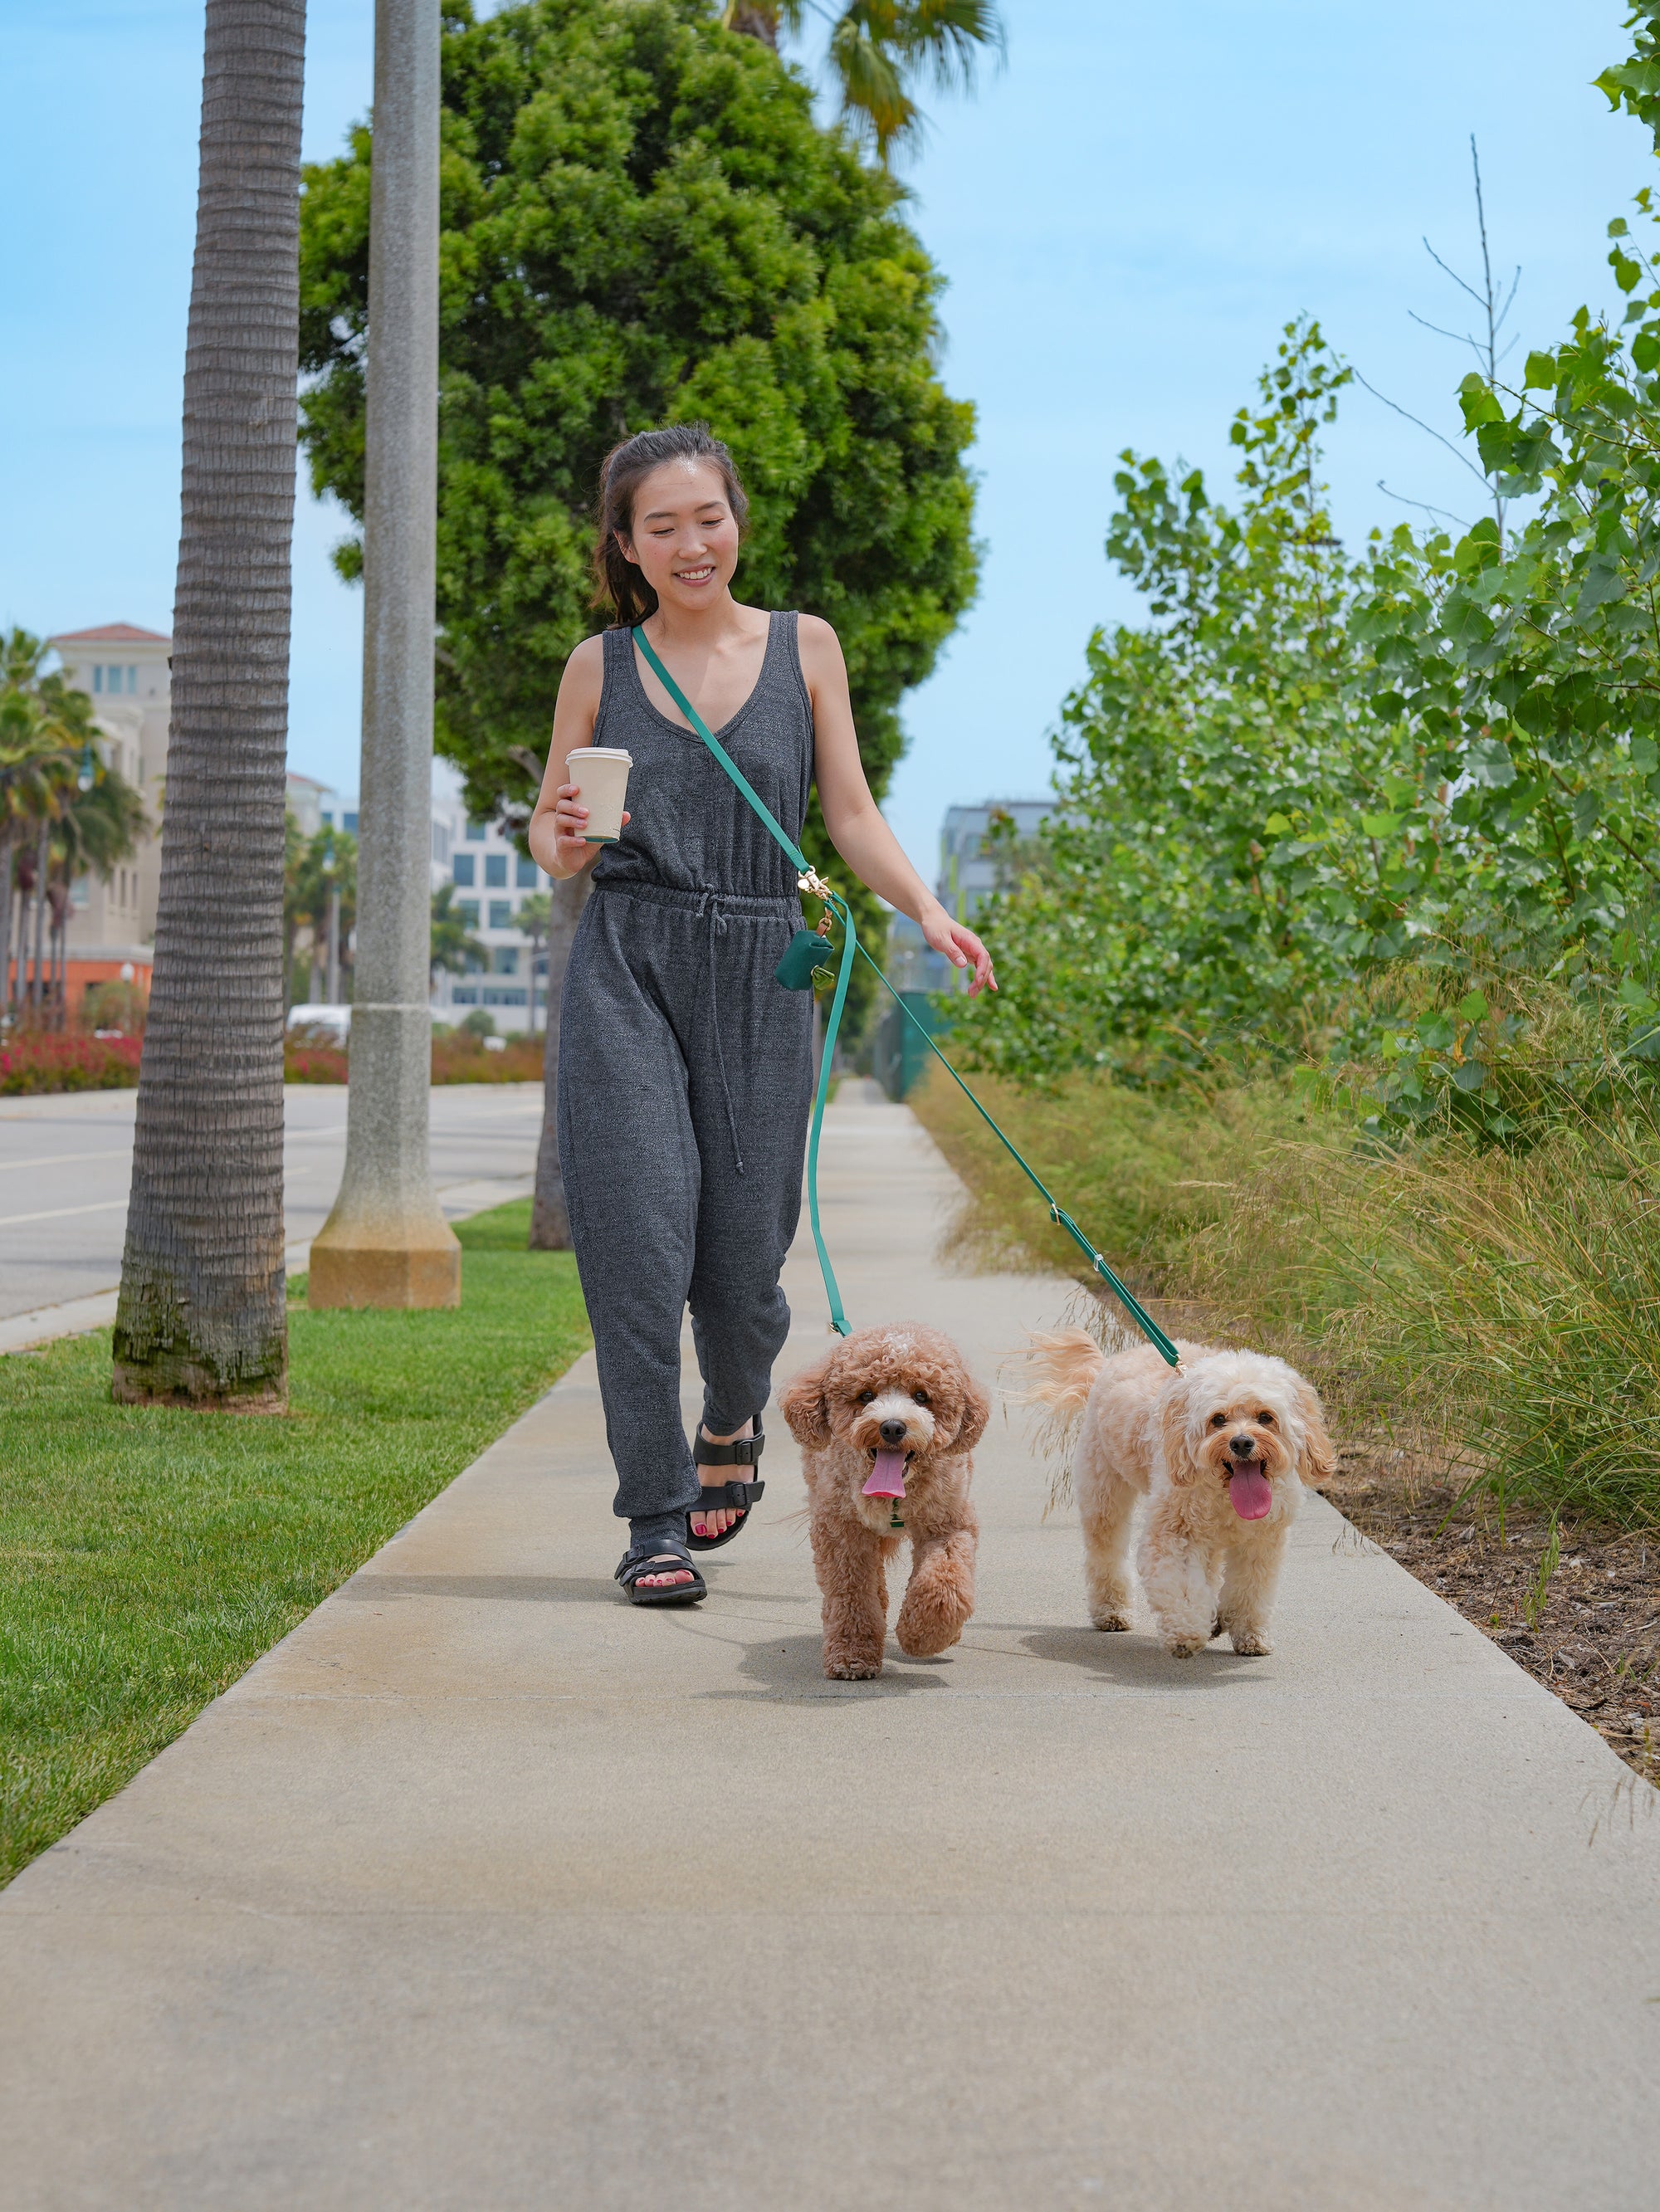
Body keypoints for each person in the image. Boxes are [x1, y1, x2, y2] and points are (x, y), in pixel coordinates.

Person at [528, 424, 994, 1605]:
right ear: (626, 546)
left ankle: (731, 1411)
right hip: (629, 958)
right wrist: (567, 838)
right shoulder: (602, 665)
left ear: (737, 520)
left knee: (742, 1271)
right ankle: (652, 1518)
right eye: (662, 526)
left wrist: (930, 913)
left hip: (764, 968)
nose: (692, 543)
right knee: (637, 1248)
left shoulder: (807, 649)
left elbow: (849, 812)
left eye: (708, 517)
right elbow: (548, 828)